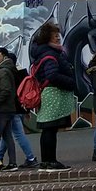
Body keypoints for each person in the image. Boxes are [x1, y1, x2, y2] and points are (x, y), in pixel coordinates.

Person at [29, 21, 76, 172]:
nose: (59, 38)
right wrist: (71, 82)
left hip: (47, 94)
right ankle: (50, 161)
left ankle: (46, 161)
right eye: (55, 36)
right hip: (53, 95)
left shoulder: (42, 53)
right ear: (48, 38)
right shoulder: (50, 55)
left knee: (48, 129)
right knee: (50, 129)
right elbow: (52, 75)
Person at [0, 48, 36, 171]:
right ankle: (8, 162)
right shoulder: (13, 71)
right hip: (13, 109)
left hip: (5, 109)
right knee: (7, 136)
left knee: (1, 136)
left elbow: (6, 91)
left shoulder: (4, 72)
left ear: (4, 58)